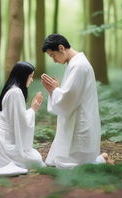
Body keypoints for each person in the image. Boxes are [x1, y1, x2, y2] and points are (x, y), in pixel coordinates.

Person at [41, 33, 113, 169]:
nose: (54, 60)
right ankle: (100, 159)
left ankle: (101, 160)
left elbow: (68, 98)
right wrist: (57, 89)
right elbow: (71, 93)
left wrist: (54, 90)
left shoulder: (79, 66)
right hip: (78, 115)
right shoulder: (74, 63)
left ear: (61, 48)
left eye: (53, 55)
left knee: (71, 165)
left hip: (81, 120)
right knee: (57, 162)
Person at [0, 61, 45, 169]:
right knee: (36, 160)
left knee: (35, 156)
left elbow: (17, 119)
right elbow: (21, 122)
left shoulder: (11, 88)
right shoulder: (16, 92)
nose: (32, 80)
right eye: (30, 76)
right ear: (23, 76)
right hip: (2, 143)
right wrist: (33, 109)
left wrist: (32, 108)